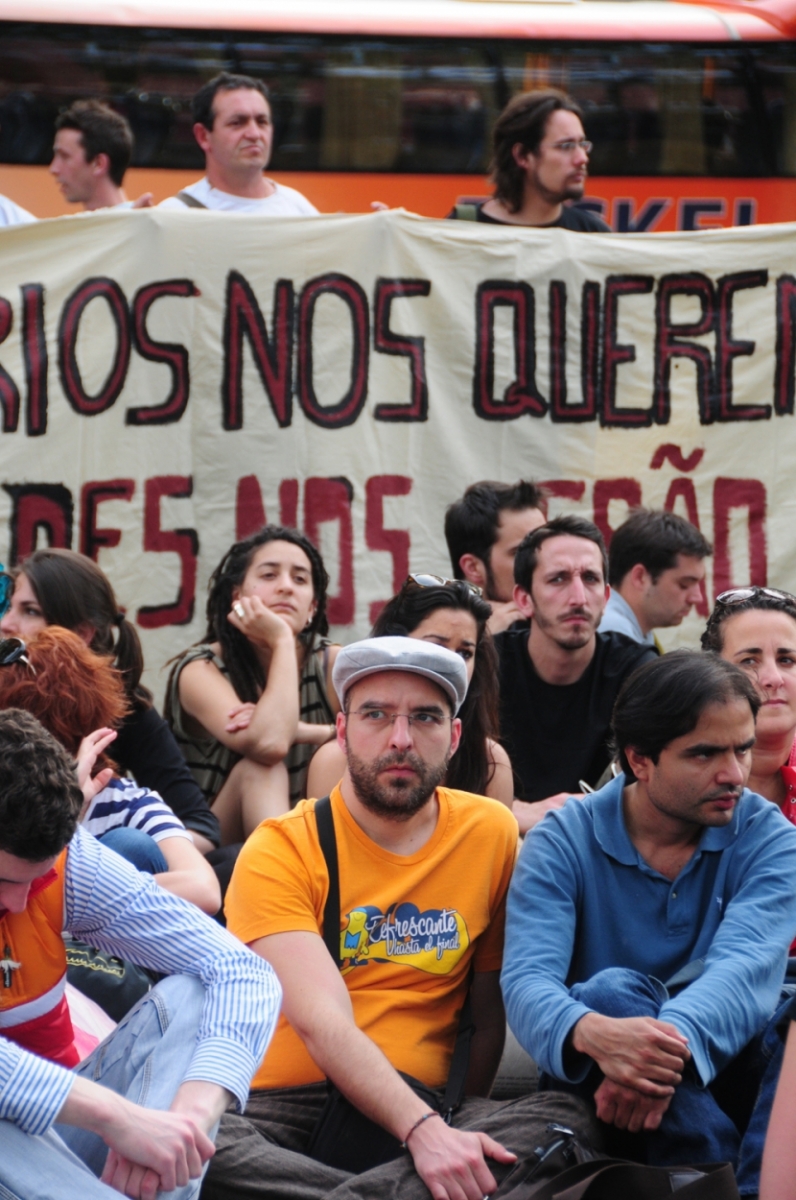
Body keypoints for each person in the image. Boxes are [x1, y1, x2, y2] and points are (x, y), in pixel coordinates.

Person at [203, 636, 595, 1200]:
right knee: (203, 1140)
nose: (401, 739)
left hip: (438, 1102)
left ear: (454, 736)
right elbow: (321, 1022)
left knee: (564, 1120)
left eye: (426, 718)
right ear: (341, 732)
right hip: (293, 1109)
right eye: (376, 715)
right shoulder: (280, 848)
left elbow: (487, 1015)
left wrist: (445, 1125)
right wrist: (423, 1132)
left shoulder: (490, 832)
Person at [502, 650, 796, 1196]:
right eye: (704, 754)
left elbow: (744, 970)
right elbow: (526, 982)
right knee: (611, 993)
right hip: (598, 1085)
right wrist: (596, 1034)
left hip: (721, 1073)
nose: (734, 774)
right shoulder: (562, 839)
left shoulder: (771, 837)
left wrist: (651, 1057)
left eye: (743, 749)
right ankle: (717, 1182)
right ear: (639, 760)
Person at [0, 706, 280, 1200]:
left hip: (64, 1132)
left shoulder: (69, 859)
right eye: (3, 880)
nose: (19, 902)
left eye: (35, 879)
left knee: (197, 989)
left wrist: (182, 1125)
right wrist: (120, 1117)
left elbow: (243, 970)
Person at [0, 548, 221, 853]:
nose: (6, 624)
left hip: (93, 872)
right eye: (9, 607)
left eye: (30, 611)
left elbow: (200, 826)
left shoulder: (128, 713)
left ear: (81, 634)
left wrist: (107, 863)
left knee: (132, 844)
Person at [0, 626, 220, 914]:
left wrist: (70, 890)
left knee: (129, 846)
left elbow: (204, 889)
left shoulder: (126, 804)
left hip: (93, 948)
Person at [166, 525, 339, 844]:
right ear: (238, 597)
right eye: (270, 575)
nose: (286, 587)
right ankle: (284, 880)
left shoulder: (333, 665)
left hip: (312, 834)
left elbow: (374, 738)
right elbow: (270, 745)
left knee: (344, 752)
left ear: (313, 608)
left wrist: (307, 731)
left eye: (300, 579)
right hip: (208, 845)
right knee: (261, 770)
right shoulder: (200, 669)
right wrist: (282, 640)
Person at [495, 515, 655, 832]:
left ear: (607, 598)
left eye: (591, 579)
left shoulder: (639, 672)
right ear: (524, 599)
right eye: (558, 579)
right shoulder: (488, 666)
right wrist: (514, 813)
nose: (579, 597)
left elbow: (659, 788)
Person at [307, 574, 513, 805]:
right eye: (436, 647)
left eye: (465, 653)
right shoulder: (335, 760)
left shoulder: (490, 763)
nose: (453, 664)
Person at [448, 89, 609, 230]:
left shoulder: (592, 233)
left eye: (582, 144)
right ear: (522, 155)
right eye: (566, 146)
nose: (582, 158)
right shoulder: (462, 229)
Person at [160, 72, 317, 215]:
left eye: (262, 122)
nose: (254, 134)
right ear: (203, 136)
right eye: (237, 123)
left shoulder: (298, 208)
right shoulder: (175, 214)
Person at [701, 586, 796, 820]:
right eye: (749, 661)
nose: (773, 679)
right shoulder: (676, 773)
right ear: (711, 673)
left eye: (786, 660)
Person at [444, 480, 547, 634]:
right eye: (523, 551)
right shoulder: (421, 635)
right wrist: (479, 643)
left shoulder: (577, 622)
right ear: (473, 568)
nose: (545, 563)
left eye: (546, 548)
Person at [600, 509, 712, 648]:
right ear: (640, 577)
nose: (697, 598)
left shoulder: (630, 632)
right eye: (684, 584)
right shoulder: (614, 636)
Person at [50, 100, 153, 211]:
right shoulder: (74, 226)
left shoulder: (139, 222)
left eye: (65, 156)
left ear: (99, 164)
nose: (53, 169)